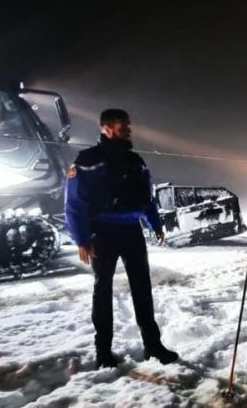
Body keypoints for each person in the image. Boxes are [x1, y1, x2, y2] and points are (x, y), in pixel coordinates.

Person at [65, 108, 179, 368]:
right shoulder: (87, 160)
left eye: (128, 124)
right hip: (101, 235)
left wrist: (155, 223)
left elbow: (147, 197)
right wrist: (82, 239)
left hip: (132, 233)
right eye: (122, 125)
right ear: (106, 128)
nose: (128, 129)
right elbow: (74, 203)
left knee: (143, 289)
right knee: (102, 291)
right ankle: (103, 351)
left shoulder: (135, 160)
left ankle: (153, 345)